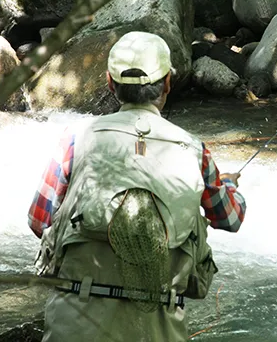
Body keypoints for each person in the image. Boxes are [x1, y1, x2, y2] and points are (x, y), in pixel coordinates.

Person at [28, 31, 246, 342]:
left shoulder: (76, 138)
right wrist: (229, 187)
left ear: (109, 82)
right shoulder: (195, 150)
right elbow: (230, 218)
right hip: (159, 330)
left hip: (75, 324)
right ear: (168, 84)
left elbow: (39, 220)